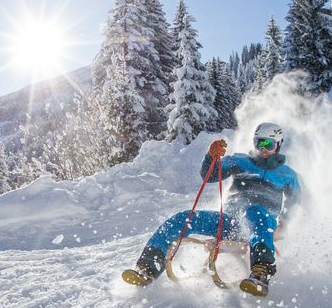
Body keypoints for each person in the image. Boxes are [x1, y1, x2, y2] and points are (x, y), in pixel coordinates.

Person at [122, 122, 301, 296]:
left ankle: (260, 274)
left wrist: (284, 223)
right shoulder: (241, 161)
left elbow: (296, 202)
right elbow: (211, 175)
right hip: (230, 221)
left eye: (268, 144)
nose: (263, 148)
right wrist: (210, 156)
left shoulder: (287, 175)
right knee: (183, 218)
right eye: (259, 142)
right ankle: (147, 268)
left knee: (255, 212)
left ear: (278, 146)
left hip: (261, 226)